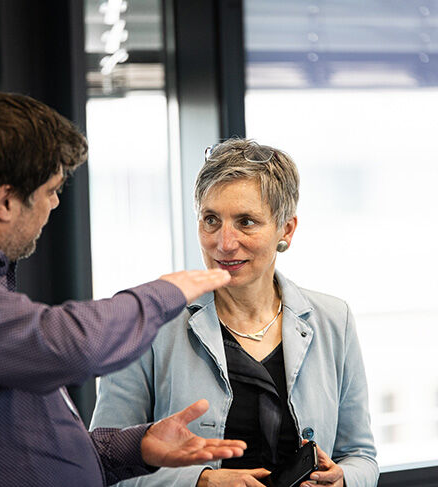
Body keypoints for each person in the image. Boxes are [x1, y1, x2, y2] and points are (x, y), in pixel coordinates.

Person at [0, 92, 246, 487]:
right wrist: (166, 293)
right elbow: (69, 344)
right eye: (50, 191)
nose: (54, 204)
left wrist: (137, 447)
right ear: (5, 201)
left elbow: (18, 446)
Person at [91, 138, 379, 487]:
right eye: (211, 220)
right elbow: (105, 466)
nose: (224, 243)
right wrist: (201, 482)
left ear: (286, 230)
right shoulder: (146, 324)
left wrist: (343, 479)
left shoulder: (334, 320)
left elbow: (361, 456)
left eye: (246, 222)